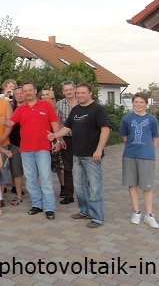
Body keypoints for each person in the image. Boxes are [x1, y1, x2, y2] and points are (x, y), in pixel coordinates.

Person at [48, 82, 110, 228]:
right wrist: (55, 135)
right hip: (77, 154)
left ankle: (97, 217)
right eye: (78, 93)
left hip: (92, 155)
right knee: (79, 186)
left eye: (83, 93)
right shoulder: (76, 110)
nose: (80, 95)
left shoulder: (98, 109)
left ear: (90, 93)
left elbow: (105, 130)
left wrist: (99, 150)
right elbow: (67, 127)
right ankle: (84, 211)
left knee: (94, 187)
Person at [4, 82, 61, 220]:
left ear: (35, 91)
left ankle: (49, 208)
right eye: (25, 91)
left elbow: (55, 122)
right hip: (26, 149)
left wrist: (57, 140)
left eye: (30, 90)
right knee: (30, 179)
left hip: (42, 148)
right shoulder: (20, 108)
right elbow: (10, 123)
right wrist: (2, 121)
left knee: (46, 178)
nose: (28, 93)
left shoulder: (46, 105)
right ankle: (36, 204)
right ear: (22, 93)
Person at [120, 92, 159, 228]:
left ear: (146, 104)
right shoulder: (127, 119)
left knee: (147, 186)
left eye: (141, 102)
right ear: (133, 103)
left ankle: (149, 215)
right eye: (136, 102)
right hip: (130, 155)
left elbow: (155, 138)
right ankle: (136, 212)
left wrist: (149, 151)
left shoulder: (152, 120)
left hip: (147, 157)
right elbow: (124, 137)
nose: (138, 104)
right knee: (132, 184)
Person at [56, 81, 78, 204]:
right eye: (66, 90)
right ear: (63, 91)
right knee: (68, 168)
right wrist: (60, 138)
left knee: (83, 167)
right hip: (67, 139)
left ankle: (85, 194)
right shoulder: (60, 104)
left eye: (70, 89)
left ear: (74, 89)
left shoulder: (82, 102)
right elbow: (58, 122)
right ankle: (69, 195)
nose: (68, 92)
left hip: (81, 140)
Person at [42, 87, 64, 199]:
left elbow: (57, 119)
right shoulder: (39, 106)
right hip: (42, 141)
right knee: (44, 168)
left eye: (47, 94)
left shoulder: (54, 106)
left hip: (54, 139)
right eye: (43, 94)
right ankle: (44, 189)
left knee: (59, 166)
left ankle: (63, 187)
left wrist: (59, 139)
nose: (45, 96)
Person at [8, 86, 25, 205]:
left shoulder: (31, 107)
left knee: (35, 173)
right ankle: (18, 195)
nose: (19, 95)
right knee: (16, 171)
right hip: (15, 143)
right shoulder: (11, 109)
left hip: (31, 145)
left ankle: (39, 195)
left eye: (21, 93)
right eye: (16, 94)